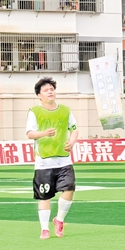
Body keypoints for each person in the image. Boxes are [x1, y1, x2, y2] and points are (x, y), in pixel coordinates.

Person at [25, 77, 78, 239]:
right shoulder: (34, 111)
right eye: (46, 90)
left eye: (52, 89)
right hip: (44, 162)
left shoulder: (65, 110)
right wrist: (44, 133)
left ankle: (59, 219)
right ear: (39, 95)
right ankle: (44, 229)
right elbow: (30, 133)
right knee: (45, 196)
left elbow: (74, 129)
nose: (50, 92)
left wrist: (72, 142)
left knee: (69, 189)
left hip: (64, 160)